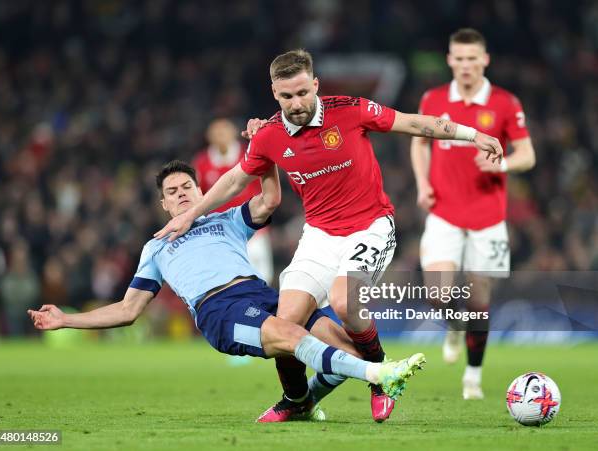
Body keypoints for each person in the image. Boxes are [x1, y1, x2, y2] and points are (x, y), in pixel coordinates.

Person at [153, 49, 502, 422]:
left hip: (371, 225)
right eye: (287, 96)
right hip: (319, 235)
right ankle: (297, 400)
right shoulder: (269, 135)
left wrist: (473, 134)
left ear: (315, 84)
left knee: (344, 301)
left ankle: (380, 377)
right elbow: (236, 179)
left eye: (303, 93)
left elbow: (414, 124)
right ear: (275, 93)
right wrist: (191, 214)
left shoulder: (350, 110)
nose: (297, 103)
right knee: (285, 321)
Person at [27, 160, 426, 421]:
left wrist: (266, 158)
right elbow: (128, 310)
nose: (182, 193)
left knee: (346, 350)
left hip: (260, 293)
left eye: (187, 186)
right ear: (163, 204)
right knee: (294, 336)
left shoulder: (225, 220)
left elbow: (270, 200)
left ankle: (304, 402)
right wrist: (66, 320)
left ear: (201, 192)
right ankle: (382, 373)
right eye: (172, 191)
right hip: (219, 311)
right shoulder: (156, 247)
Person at [410, 28, 536, 400]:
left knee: (480, 301)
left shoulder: (504, 102)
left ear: (485, 60)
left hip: (488, 217)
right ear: (450, 60)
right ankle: (453, 326)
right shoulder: (433, 99)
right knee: (437, 294)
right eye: (459, 58)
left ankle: (473, 378)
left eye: (472, 58)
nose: (465, 65)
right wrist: (421, 183)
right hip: (444, 212)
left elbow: (527, 155)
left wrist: (501, 167)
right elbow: (419, 143)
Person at [193, 118, 274, 284]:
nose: (220, 135)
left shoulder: (250, 154)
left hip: (253, 229)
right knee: (227, 280)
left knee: (262, 277)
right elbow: (197, 197)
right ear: (209, 136)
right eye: (216, 132)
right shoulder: (202, 163)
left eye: (224, 130)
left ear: (233, 133)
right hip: (220, 231)